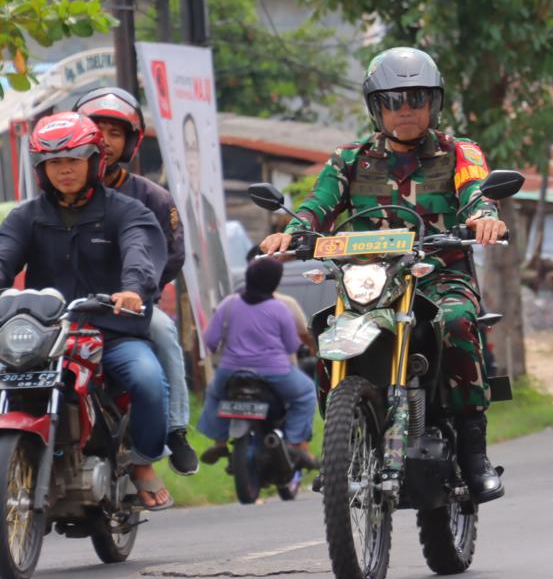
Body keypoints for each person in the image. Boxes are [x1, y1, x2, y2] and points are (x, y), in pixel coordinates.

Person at [258, 47, 508, 502]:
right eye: (394, 101)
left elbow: (476, 192)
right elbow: (318, 206)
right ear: (377, 107)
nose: (406, 110)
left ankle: (475, 456)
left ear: (434, 104)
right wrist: (292, 232)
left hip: (438, 276)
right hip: (368, 281)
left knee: (455, 322)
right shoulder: (349, 158)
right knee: (326, 328)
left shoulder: (460, 151)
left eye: (416, 99)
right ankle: (341, 447)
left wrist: (484, 216)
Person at [0, 113, 173, 509]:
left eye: (74, 160)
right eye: (54, 163)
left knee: (148, 380)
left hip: (111, 331)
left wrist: (132, 290)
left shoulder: (127, 212)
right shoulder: (26, 217)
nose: (64, 170)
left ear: (95, 161)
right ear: (41, 170)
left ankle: (144, 462)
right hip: (45, 335)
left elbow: (140, 252)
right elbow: (4, 254)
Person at [75, 86, 198, 475]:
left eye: (115, 133)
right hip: (70, 306)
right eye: (97, 131)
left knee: (163, 333)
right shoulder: (55, 197)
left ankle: (175, 429)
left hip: (132, 305)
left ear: (131, 141)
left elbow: (171, 256)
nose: (105, 142)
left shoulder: (152, 197)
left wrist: (137, 292)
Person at [197, 257, 318, 467]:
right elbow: (291, 346)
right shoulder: (280, 308)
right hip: (275, 372)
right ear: (274, 282)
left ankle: (220, 441)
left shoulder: (229, 303)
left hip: (230, 371)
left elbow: (210, 341)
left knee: (215, 394)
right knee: (306, 393)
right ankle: (294, 441)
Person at [180, 113, 232, 308]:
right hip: (196, 304)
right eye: (187, 149)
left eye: (194, 149)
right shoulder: (179, 208)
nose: (191, 160)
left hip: (218, 302)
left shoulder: (209, 207)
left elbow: (219, 259)